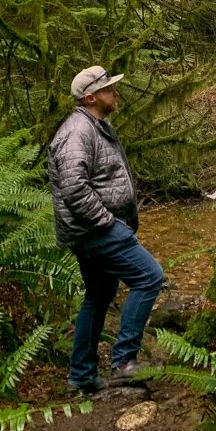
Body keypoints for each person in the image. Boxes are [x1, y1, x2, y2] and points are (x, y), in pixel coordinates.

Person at [48, 65, 164, 394]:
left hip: (92, 230)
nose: (116, 93)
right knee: (150, 277)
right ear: (91, 97)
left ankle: (81, 376)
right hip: (95, 231)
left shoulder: (97, 126)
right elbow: (74, 190)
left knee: (99, 296)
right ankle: (124, 364)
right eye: (109, 90)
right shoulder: (77, 132)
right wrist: (107, 223)